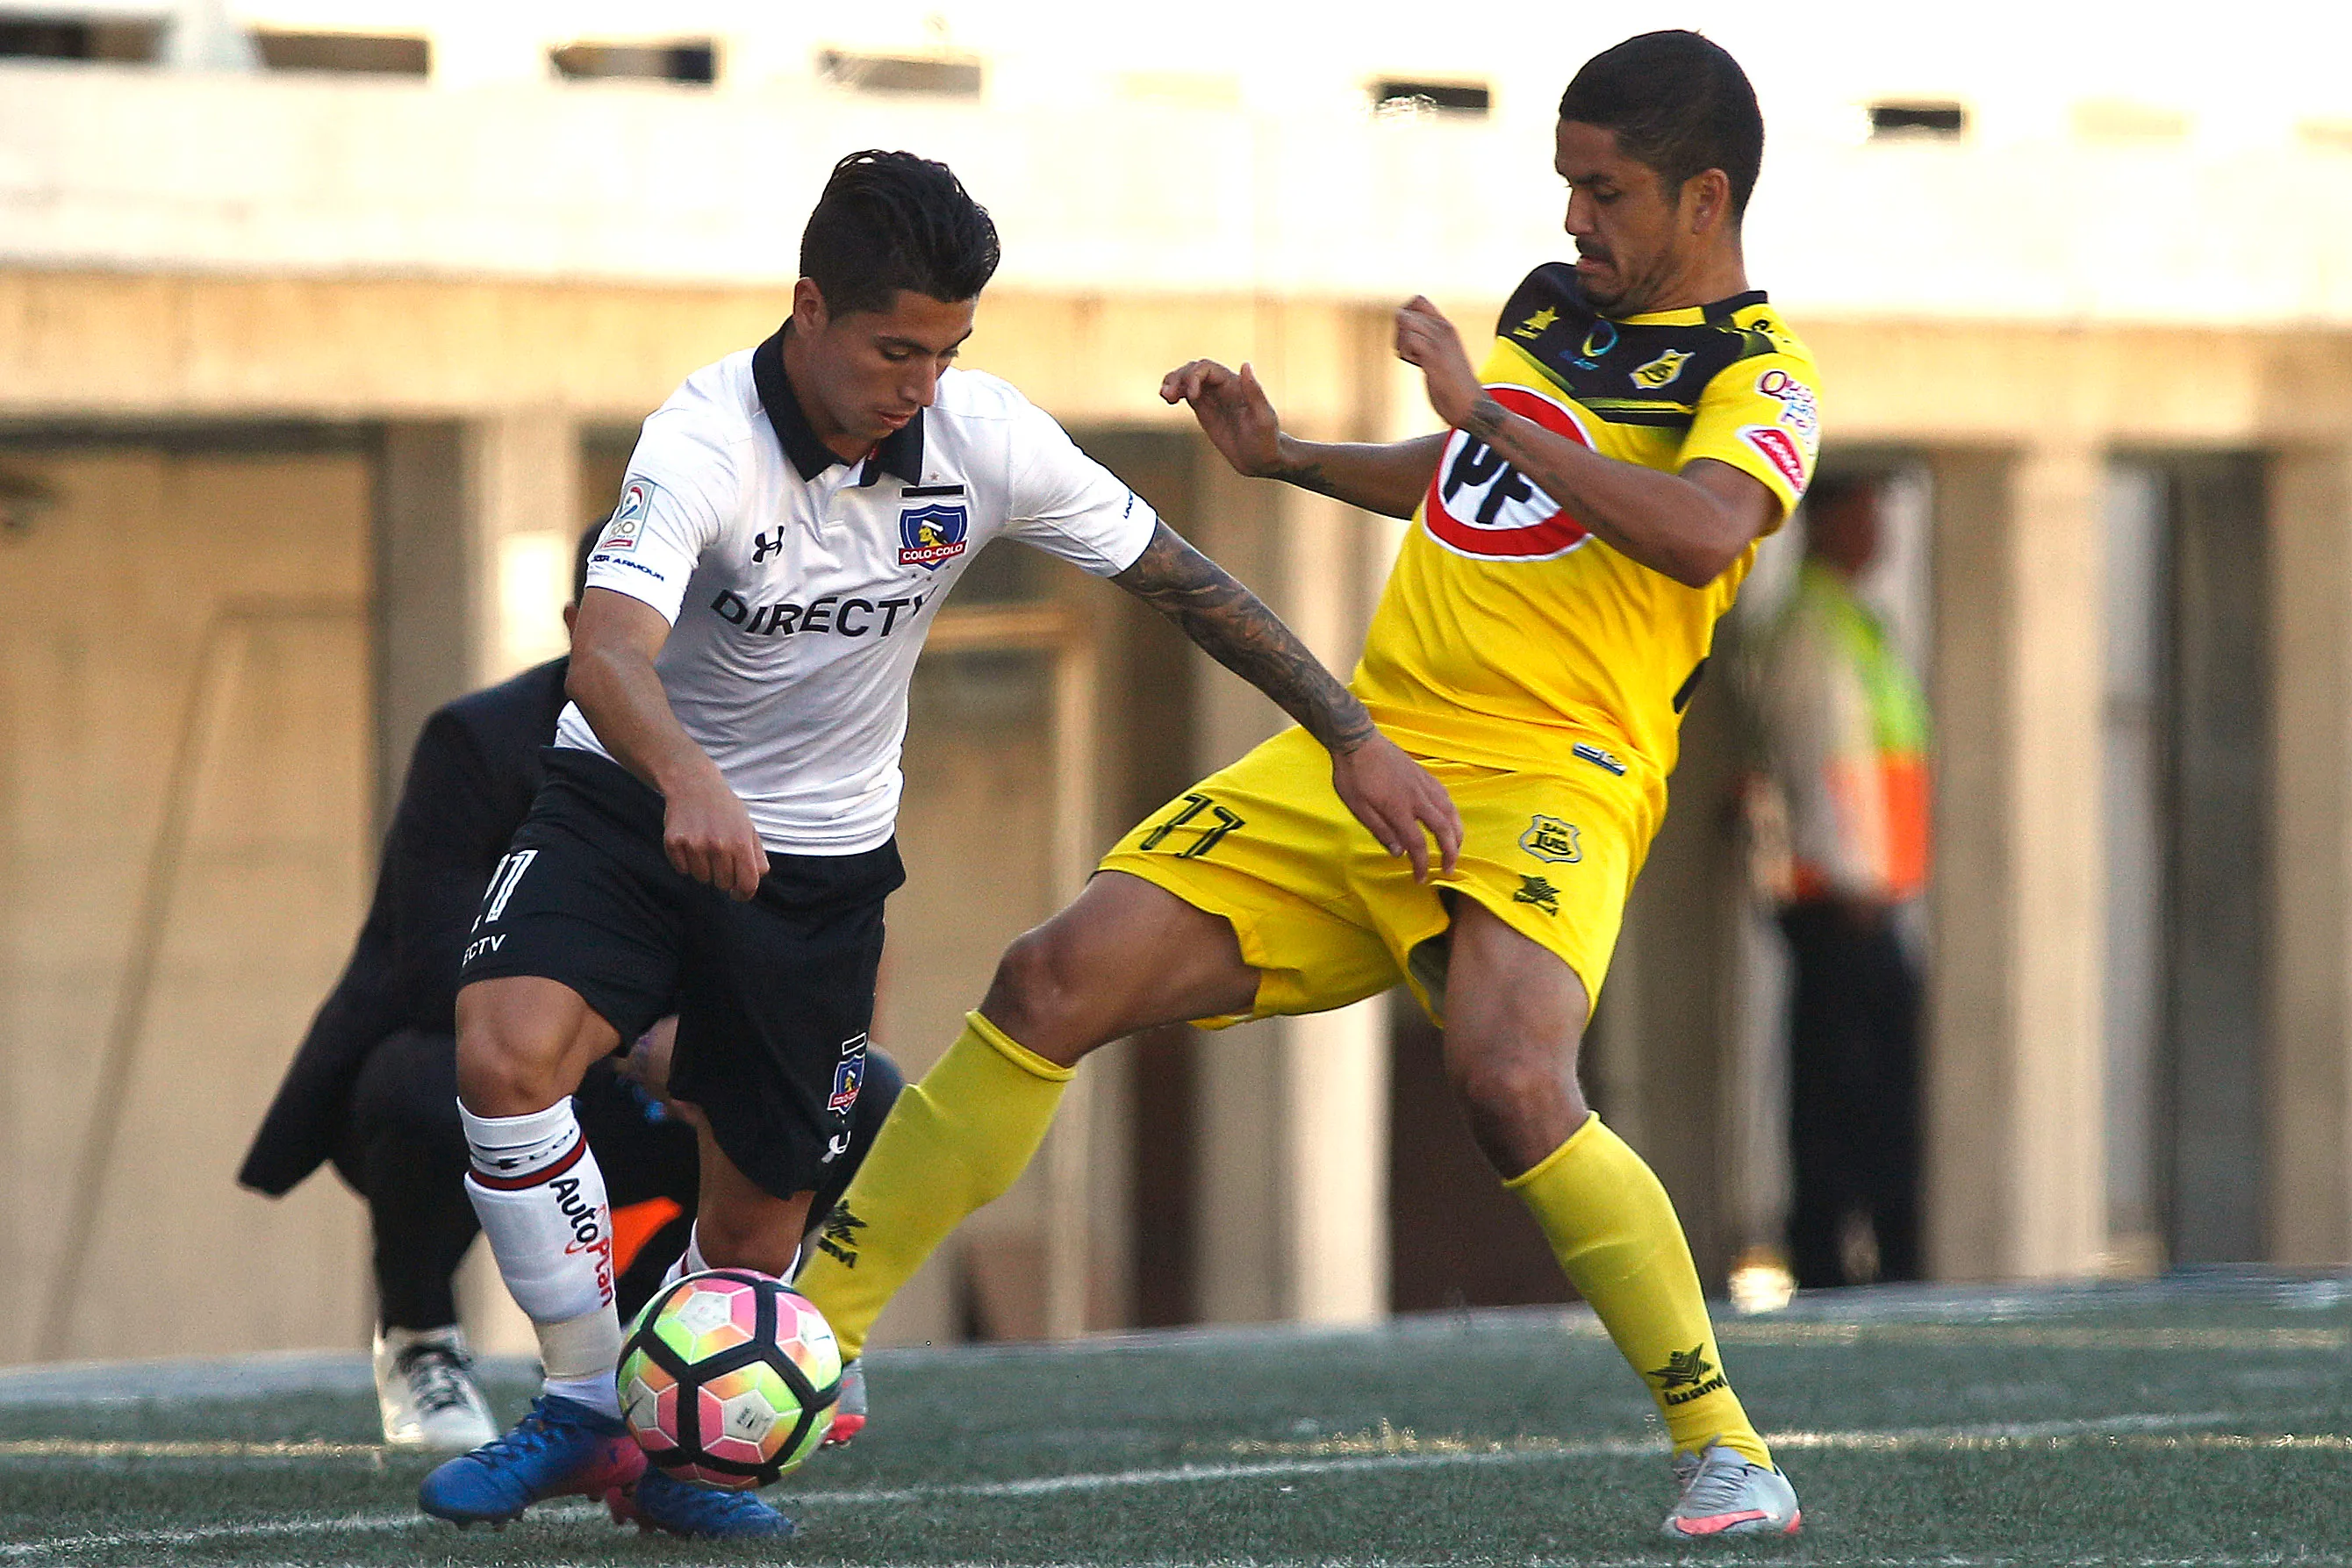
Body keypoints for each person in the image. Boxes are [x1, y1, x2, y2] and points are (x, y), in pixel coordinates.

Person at [792, 32, 1818, 1539]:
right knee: (1050, 978)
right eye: (1565, 186)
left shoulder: (1760, 373)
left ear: (1704, 197)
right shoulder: (1551, 312)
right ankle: (810, 1339)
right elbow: (1476, 484)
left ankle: (1727, 1443)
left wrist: (1487, 413)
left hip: (1557, 771)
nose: (1574, 222)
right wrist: (1294, 460)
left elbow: (1700, 529)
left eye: (1604, 192)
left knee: (1511, 1082)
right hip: (1377, 736)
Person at [419, 149, 1456, 1540]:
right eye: (893, 346)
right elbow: (605, 651)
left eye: (948, 349)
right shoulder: (701, 437)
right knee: (502, 1049)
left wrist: (1351, 734)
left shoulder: (986, 441)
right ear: (808, 309)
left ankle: (678, 1463)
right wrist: (683, 776)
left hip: (824, 863)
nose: (918, 381)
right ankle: (581, 1400)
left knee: (754, 1228)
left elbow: (1184, 584)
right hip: (628, 801)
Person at [238, 523, 903, 1450]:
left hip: (685, 1075)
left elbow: (824, 938)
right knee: (418, 1079)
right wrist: (629, 1036)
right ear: (582, 629)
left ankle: (721, 1316)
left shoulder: (781, 735)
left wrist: (721, 1033)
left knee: (861, 1085)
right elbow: (432, 952)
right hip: (537, 1058)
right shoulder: (479, 740)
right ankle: (420, 1337)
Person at [1753, 474, 1929, 1289]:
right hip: (1841, 901)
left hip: (1864, 897)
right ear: (1824, 521)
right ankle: (1833, 1262)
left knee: (1871, 1094)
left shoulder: (1855, 621)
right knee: (1842, 1098)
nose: (1879, 525)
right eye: (1864, 507)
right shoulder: (1819, 628)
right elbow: (1819, 767)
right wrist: (1856, 882)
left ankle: (1871, 1256)